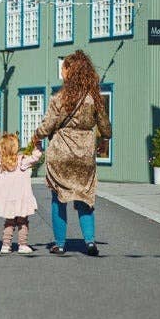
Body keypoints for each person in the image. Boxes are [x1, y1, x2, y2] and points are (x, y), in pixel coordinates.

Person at [30, 50, 112, 257]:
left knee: (59, 198)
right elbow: (106, 127)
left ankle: (59, 244)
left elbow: (47, 125)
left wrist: (35, 137)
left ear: (70, 71)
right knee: (85, 197)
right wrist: (104, 141)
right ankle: (90, 242)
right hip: (84, 154)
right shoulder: (94, 98)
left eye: (63, 69)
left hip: (61, 153)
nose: (62, 73)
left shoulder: (59, 98)